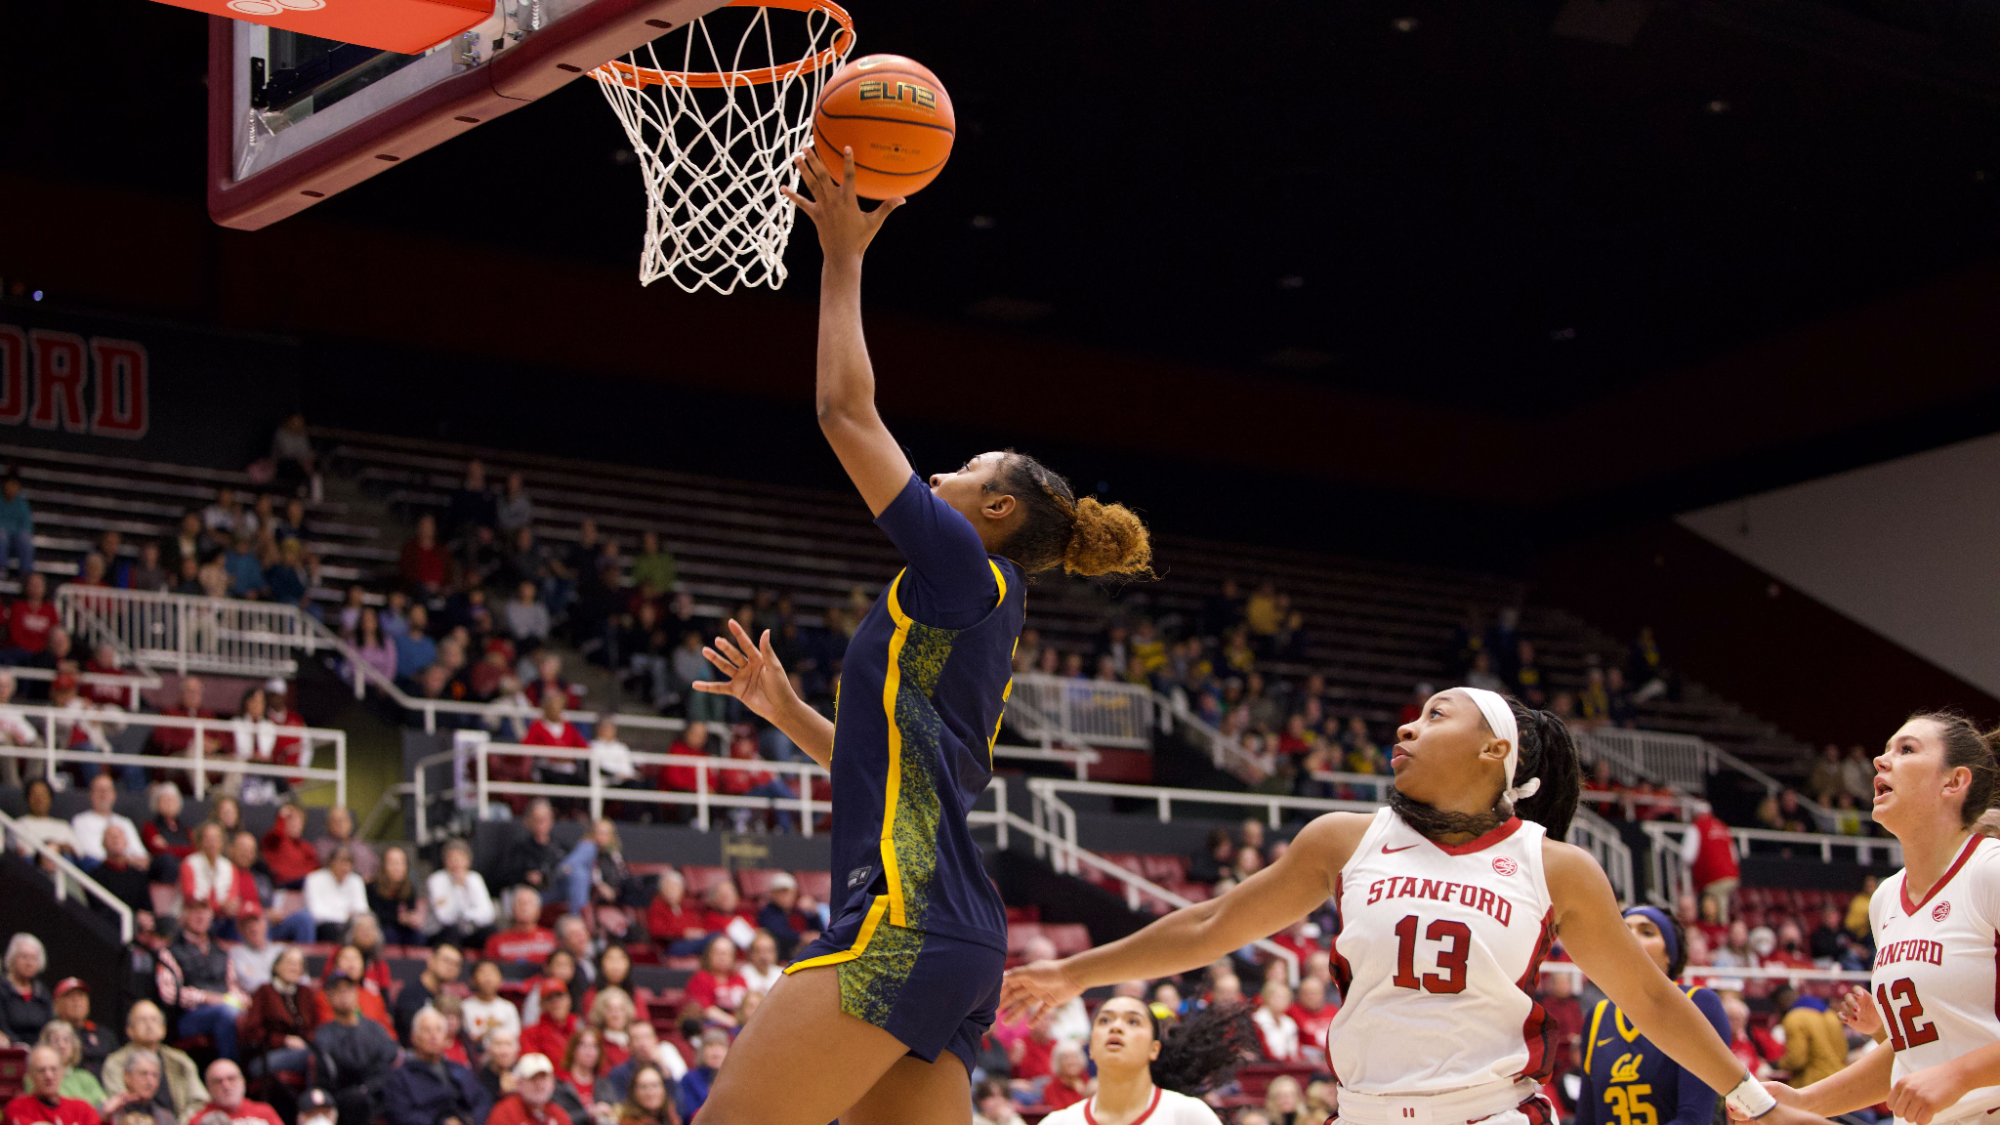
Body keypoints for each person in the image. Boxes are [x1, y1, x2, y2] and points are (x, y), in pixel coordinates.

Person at [676, 145, 1153, 1125]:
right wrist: (789, 710)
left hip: (904, 918)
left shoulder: (962, 566)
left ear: (999, 511)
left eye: (968, 471)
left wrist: (842, 255)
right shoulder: (983, 606)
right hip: (958, 941)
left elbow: (843, 411)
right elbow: (885, 753)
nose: (939, 476)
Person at [1003, 687, 1824, 1125]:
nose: (1405, 724)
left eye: (1437, 714)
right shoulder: (1342, 837)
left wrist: (1753, 1100)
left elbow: (1650, 996)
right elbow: (1213, 923)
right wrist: (1075, 971)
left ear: (1494, 750)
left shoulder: (1557, 866)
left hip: (1490, 1112)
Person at [1575, 906, 1730, 1125]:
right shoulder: (1598, 1016)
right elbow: (1585, 1119)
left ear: (1670, 955)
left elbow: (1694, 1119)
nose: (1630, 937)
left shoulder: (1699, 1004)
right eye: (1623, 930)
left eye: (1647, 932)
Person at [1031, 995, 1245, 1125]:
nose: (1116, 1027)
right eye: (1105, 1020)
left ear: (1154, 1049)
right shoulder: (1058, 1122)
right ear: (1091, 1048)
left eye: (1133, 1021)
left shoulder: (1188, 1115)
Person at [154, 899, 248, 1060]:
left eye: (205, 912)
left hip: (225, 1007)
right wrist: (206, 998)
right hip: (188, 1017)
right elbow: (169, 994)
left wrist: (243, 999)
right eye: (195, 911)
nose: (200, 916)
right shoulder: (170, 952)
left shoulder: (221, 952)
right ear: (184, 916)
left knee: (251, 1014)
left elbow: (233, 986)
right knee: (226, 1013)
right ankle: (229, 1068)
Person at [312, 972, 399, 1125]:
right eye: (338, 990)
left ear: (356, 993)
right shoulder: (324, 1035)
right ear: (328, 997)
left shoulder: (375, 1029)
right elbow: (332, 1073)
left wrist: (368, 1086)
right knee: (356, 1099)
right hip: (345, 1098)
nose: (344, 995)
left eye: (348, 989)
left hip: (376, 1092)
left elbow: (387, 1060)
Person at [382, 1009, 488, 1125]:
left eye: (439, 1030)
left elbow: (482, 1099)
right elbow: (400, 1115)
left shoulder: (459, 1069)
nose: (434, 1036)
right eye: (427, 1030)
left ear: (446, 1037)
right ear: (414, 1037)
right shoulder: (400, 1077)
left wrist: (469, 1120)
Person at [101, 1003, 207, 1118]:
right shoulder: (116, 1063)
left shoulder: (181, 1061)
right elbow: (118, 1101)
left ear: (164, 1029)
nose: (149, 1025)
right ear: (129, 1030)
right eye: (142, 1020)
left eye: (154, 1020)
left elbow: (199, 1101)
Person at [238, 947, 321, 1088]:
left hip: (303, 1050)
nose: (294, 967)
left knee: (322, 1054)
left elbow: (314, 1027)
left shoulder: (305, 993)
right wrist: (284, 1040)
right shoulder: (264, 991)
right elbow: (252, 1032)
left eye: (298, 964)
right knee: (312, 1057)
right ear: (276, 966)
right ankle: (313, 1105)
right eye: (289, 962)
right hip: (266, 1056)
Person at [276, 845, 368, 942]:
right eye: (341, 862)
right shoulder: (314, 879)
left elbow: (362, 910)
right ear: (331, 862)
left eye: (348, 863)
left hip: (349, 926)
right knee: (333, 930)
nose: (344, 867)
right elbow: (316, 912)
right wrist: (346, 916)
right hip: (322, 927)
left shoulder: (356, 881)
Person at [428, 839, 498, 949]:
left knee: (491, 931)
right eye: (452, 858)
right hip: (440, 933)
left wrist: (466, 915)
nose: (456, 862)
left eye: (460, 858)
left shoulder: (475, 879)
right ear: (445, 861)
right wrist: (458, 888)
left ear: (468, 861)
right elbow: (445, 917)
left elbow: (488, 914)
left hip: (470, 931)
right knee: (452, 931)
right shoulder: (437, 880)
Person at [3, 1046, 95, 1125]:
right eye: (41, 1070)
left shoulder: (83, 1110)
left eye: (53, 1069)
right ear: (30, 1075)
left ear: (62, 1072)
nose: (49, 1076)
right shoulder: (17, 1108)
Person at [69, 774, 145, 869]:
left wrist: (126, 861)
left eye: (107, 790)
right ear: (91, 795)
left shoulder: (125, 822)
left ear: (114, 795)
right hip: (98, 870)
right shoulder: (80, 821)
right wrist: (120, 859)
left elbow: (141, 854)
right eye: (99, 790)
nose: (104, 794)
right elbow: (88, 853)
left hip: (127, 870)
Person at [393, 944, 463, 1046]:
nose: (451, 967)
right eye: (446, 961)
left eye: (456, 964)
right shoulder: (410, 994)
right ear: (431, 960)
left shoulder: (447, 996)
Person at [45, 980, 112, 1081]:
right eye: (70, 997)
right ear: (56, 1004)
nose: (76, 1002)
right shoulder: (51, 1033)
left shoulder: (104, 1034)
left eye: (81, 996)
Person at [486, 1054, 570, 1125]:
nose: (539, 1084)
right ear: (519, 1083)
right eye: (532, 1079)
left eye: (544, 1078)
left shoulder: (559, 1114)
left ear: (553, 1082)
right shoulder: (504, 1113)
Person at [97, 1050, 177, 1125]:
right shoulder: (108, 1110)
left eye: (155, 1075)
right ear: (127, 1076)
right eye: (143, 1074)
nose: (150, 1081)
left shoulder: (167, 1118)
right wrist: (106, 1113)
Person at [684, 937, 748, 1029]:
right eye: (718, 953)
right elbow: (705, 1009)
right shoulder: (700, 978)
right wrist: (734, 1022)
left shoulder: (739, 979)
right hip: (709, 1027)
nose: (722, 957)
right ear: (709, 955)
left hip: (739, 1027)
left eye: (726, 953)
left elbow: (746, 1006)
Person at [32, 1022, 103, 1104]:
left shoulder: (86, 1077)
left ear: (74, 1046)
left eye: (66, 1040)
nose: (62, 1045)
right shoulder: (39, 1077)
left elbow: (102, 1104)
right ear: (46, 1046)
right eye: (56, 1040)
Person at [370, 844, 427, 945]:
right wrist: (399, 918)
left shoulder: (409, 888)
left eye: (401, 863)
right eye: (393, 863)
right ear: (383, 865)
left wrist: (411, 918)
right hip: (380, 928)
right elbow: (374, 916)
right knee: (388, 933)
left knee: (418, 936)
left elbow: (410, 911)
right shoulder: (372, 887)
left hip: (403, 928)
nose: (397, 867)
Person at [0, 934, 52, 1045]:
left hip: (39, 1049)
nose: (29, 963)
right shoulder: (2, 988)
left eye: (33, 958)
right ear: (12, 959)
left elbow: (49, 1025)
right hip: (9, 1047)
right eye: (24, 957)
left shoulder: (42, 992)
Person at [486, 887, 559, 966]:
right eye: (520, 903)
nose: (524, 907)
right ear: (512, 909)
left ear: (538, 910)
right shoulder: (496, 942)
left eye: (529, 903)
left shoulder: (552, 939)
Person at [463, 960, 521, 1047]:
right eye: (483, 973)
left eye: (492, 973)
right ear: (472, 979)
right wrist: (489, 1029)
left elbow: (515, 1039)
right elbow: (468, 1040)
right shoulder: (465, 1007)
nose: (488, 978)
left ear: (501, 979)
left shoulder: (508, 1007)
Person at [674, 1031, 727, 1122]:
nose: (716, 1051)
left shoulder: (733, 1081)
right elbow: (686, 1113)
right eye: (710, 1045)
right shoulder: (689, 1078)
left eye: (721, 1046)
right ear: (702, 1051)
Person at [614, 1064, 679, 1125]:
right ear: (634, 1093)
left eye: (655, 1085)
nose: (650, 1092)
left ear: (664, 1089)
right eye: (644, 1087)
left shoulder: (670, 1116)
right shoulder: (628, 1122)